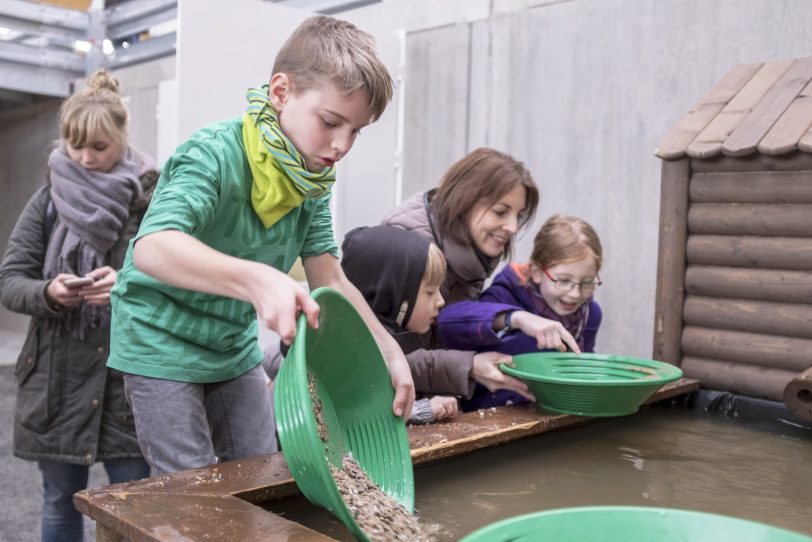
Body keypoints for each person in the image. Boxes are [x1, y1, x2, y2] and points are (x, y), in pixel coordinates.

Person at [106, 15, 414, 475]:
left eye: (356, 130)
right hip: (158, 338)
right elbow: (153, 248)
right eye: (331, 121)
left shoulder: (311, 180)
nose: (342, 144)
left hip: (231, 345)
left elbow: (329, 276)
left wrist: (388, 350)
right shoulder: (213, 153)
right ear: (281, 92)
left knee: (261, 473)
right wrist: (257, 279)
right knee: (190, 490)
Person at [0, 69, 155, 542]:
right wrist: (49, 293)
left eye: (99, 147)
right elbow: (10, 281)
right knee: (59, 503)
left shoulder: (150, 198)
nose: (85, 158)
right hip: (57, 382)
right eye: (74, 144)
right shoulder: (48, 199)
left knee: (132, 509)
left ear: (122, 141)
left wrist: (128, 283)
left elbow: (180, 278)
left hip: (126, 381)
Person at [380, 148, 580, 353]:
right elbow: (390, 356)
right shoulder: (410, 247)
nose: (513, 228)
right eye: (500, 212)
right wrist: (471, 366)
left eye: (518, 216)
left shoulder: (473, 251)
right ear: (464, 202)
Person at [340, 225, 533, 424]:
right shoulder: (356, 351)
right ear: (396, 296)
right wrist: (424, 409)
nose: (441, 301)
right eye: (431, 292)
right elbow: (361, 415)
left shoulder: (408, 335)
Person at [438, 214, 604, 410]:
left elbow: (581, 367)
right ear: (536, 272)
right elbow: (446, 321)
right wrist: (513, 317)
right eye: (564, 280)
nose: (575, 294)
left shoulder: (590, 314)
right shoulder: (505, 295)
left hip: (551, 413)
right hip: (487, 414)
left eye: (587, 282)